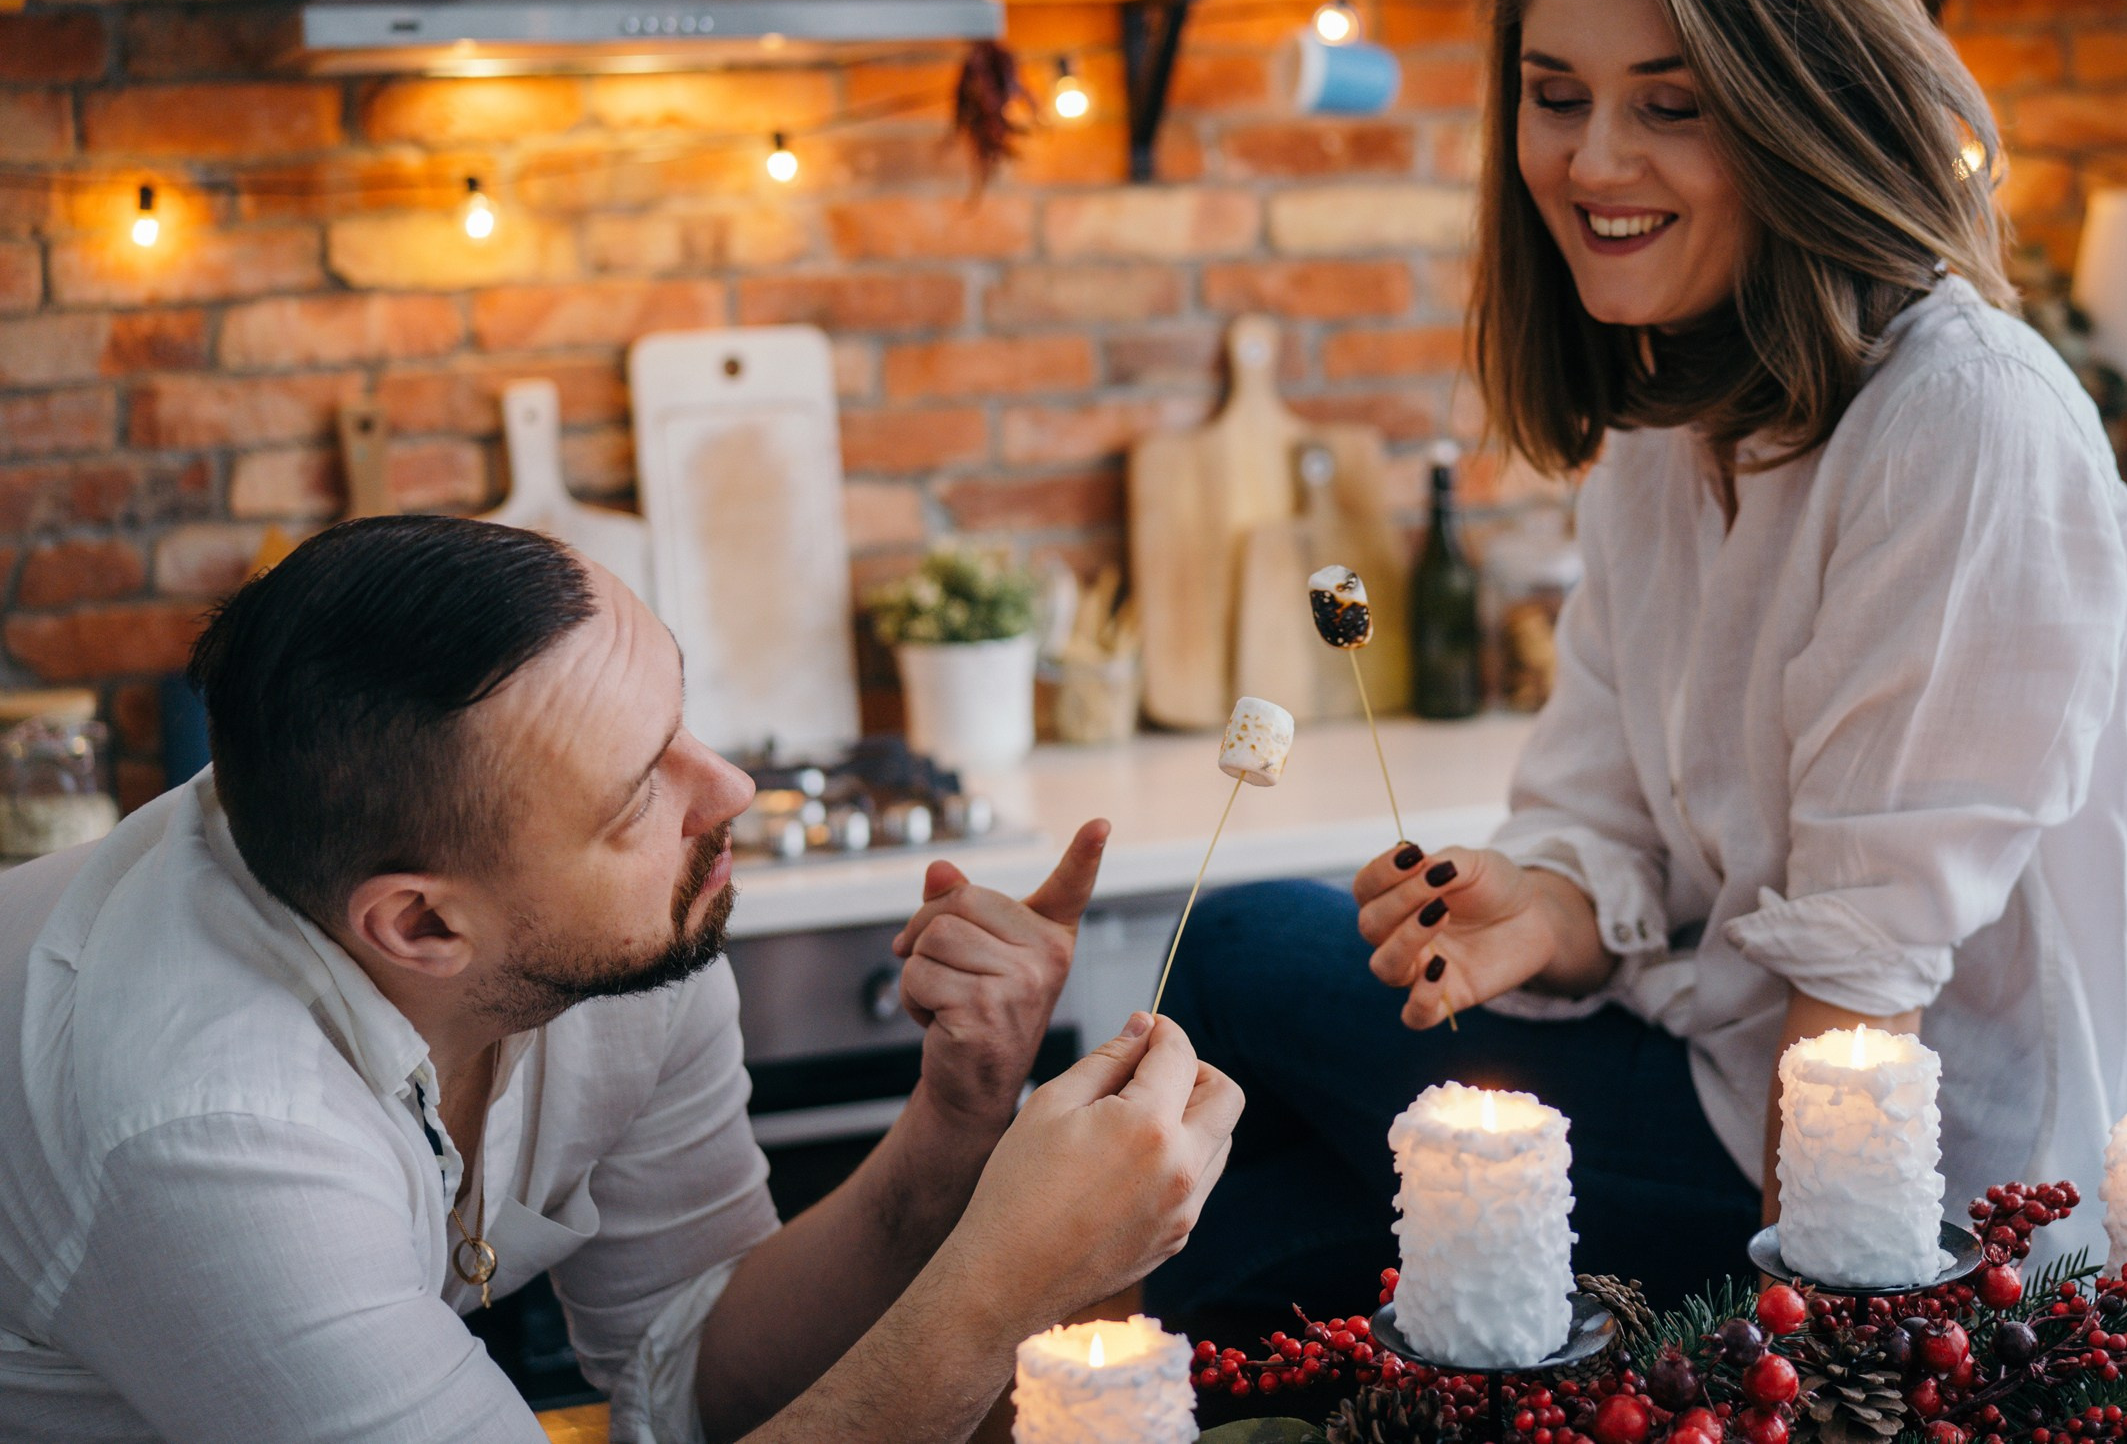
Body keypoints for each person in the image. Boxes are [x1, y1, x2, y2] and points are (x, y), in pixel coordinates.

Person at [1148, 0, 2127, 1329]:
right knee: (1262, 1229)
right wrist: (1531, 909)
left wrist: (1820, 1366)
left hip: (1938, 1206)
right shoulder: (1673, 416)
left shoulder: (1961, 415)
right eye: (1557, 98)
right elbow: (1605, 823)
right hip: (1714, 1074)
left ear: (1798, 110)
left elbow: (1862, 1008)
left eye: (1671, 105)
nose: (1595, 162)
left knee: (1235, 960)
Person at [0, 515, 1242, 1444]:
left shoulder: (628, 920)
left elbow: (685, 1360)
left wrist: (956, 1127)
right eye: (638, 788)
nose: (732, 793)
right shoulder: (207, 1133)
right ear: (424, 924)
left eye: (680, 718)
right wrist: (1002, 1284)